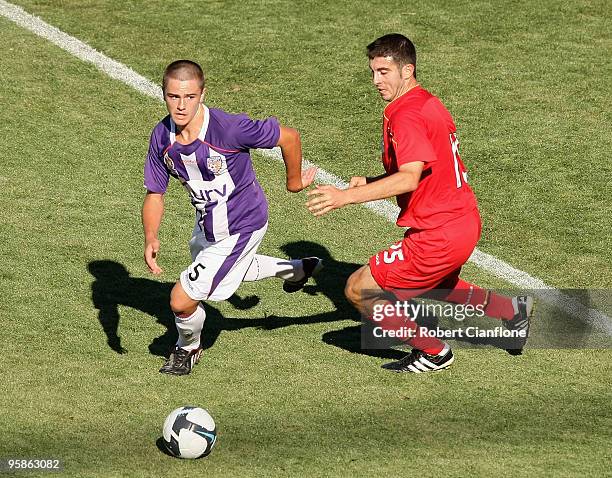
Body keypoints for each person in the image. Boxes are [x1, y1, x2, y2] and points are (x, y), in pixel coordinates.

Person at [306, 34, 533, 373]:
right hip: (463, 221)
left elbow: (410, 177)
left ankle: (434, 352)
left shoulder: (406, 115)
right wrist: (371, 182)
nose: (376, 81)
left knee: (358, 289)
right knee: (441, 284)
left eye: (384, 72)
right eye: (372, 72)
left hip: (438, 231)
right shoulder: (427, 102)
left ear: (407, 70)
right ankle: (509, 310)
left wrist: (346, 197)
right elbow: (431, 167)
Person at [143, 60, 322, 375]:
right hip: (208, 224)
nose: (181, 106)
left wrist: (294, 183)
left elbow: (289, 137)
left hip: (243, 224)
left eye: (189, 97)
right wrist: (151, 235)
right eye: (173, 97)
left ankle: (188, 348)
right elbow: (155, 193)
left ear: (202, 94)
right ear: (164, 94)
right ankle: (296, 270)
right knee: (230, 271)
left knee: (180, 300)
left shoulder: (228, 129)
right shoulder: (162, 137)